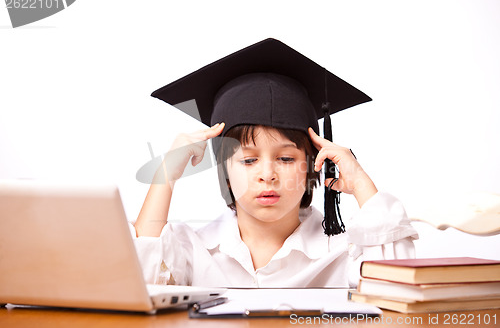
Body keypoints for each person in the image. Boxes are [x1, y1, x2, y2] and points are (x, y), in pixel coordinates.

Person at [131, 39, 418, 288]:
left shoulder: (342, 251)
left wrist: (360, 183)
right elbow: (140, 284)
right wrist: (165, 174)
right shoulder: (193, 249)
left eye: (285, 158)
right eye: (248, 160)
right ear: (225, 173)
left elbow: (396, 289)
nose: (267, 175)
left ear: (312, 165)